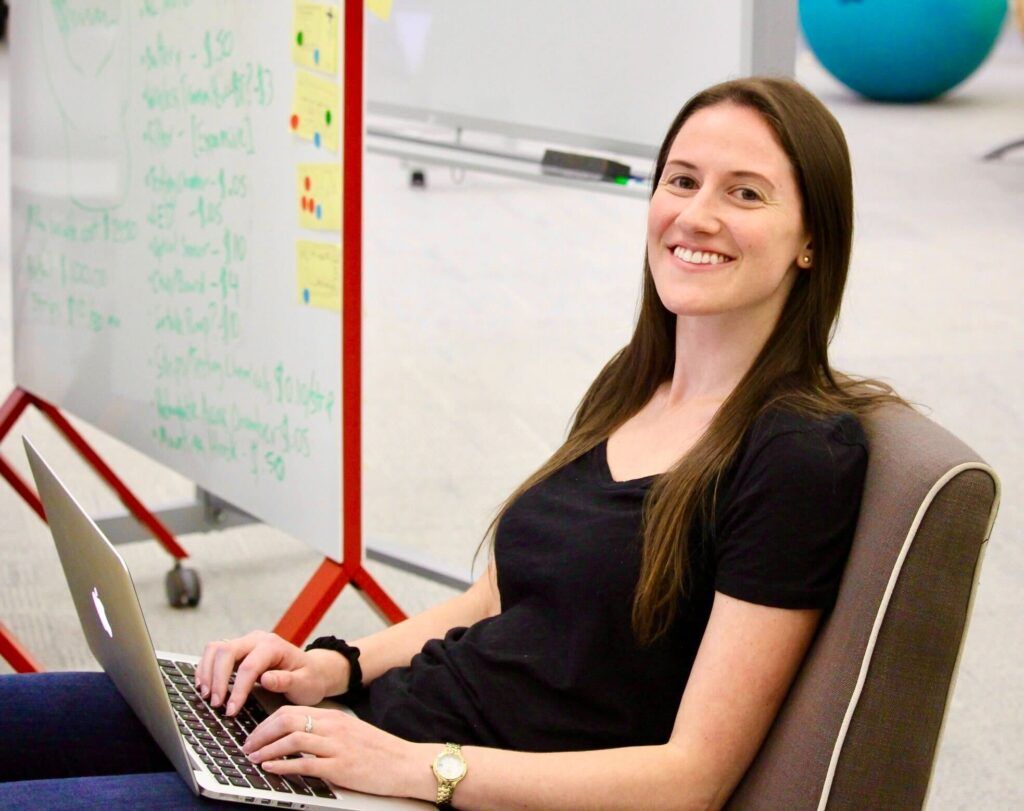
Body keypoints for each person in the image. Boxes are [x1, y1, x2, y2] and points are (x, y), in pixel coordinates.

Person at [0, 76, 911, 809]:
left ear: (810, 242)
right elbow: (495, 595)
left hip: (426, 787)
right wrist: (334, 666)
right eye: (682, 179)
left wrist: (414, 768)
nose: (697, 215)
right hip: (368, 731)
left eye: (744, 193)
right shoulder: (636, 383)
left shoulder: (795, 452)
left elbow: (692, 777)